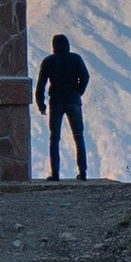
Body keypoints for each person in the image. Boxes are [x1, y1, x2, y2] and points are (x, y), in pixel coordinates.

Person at [35, 31, 91, 178]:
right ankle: (83, 172)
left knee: (54, 138)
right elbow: (85, 77)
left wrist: (41, 104)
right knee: (79, 137)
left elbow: (41, 85)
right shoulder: (76, 59)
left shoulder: (49, 61)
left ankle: (55, 173)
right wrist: (79, 91)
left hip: (56, 102)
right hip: (73, 101)